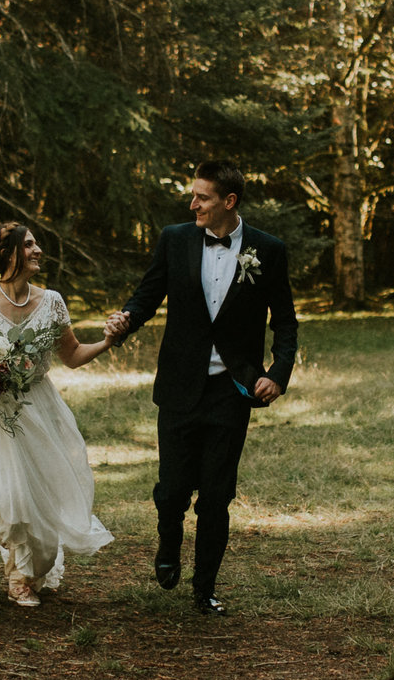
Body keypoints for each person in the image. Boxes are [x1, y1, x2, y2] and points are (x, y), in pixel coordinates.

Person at [103, 161, 298, 614]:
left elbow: (286, 321)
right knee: (172, 490)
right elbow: (147, 295)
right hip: (179, 385)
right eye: (193, 196)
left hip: (232, 390)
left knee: (216, 496)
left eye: (202, 197)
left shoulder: (268, 250)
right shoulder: (175, 239)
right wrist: (125, 320)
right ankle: (168, 543)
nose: (193, 204)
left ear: (229, 201)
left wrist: (277, 374)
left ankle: (204, 588)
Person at [0, 222, 118, 608]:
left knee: (39, 501)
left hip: (38, 408)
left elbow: (71, 355)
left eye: (36, 244)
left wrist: (108, 341)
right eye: (28, 245)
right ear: (8, 253)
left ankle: (22, 578)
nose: (38, 250)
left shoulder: (52, 301)